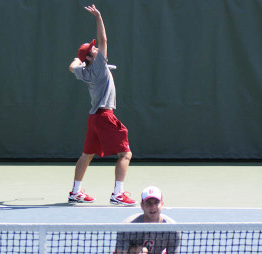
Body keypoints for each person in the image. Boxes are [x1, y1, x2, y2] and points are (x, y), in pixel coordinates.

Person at [68, 5, 136, 206]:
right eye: (92, 49)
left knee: (86, 155)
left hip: (93, 118)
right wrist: (98, 17)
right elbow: (104, 39)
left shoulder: (83, 71)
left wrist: (76, 62)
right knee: (125, 153)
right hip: (105, 116)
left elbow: (72, 67)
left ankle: (75, 192)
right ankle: (118, 194)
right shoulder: (98, 65)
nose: (96, 48)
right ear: (90, 57)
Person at [114, 186, 181, 254]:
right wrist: (133, 251)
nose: (153, 206)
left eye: (156, 202)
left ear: (162, 204)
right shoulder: (127, 227)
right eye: (149, 203)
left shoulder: (172, 229)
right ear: (142, 205)